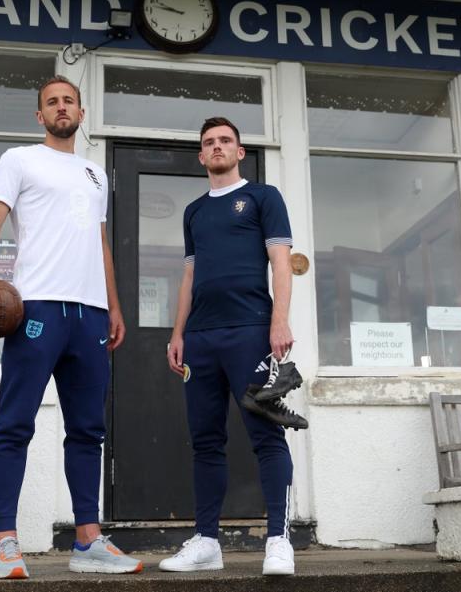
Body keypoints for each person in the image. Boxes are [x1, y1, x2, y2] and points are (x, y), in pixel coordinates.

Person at [0, 75, 142, 579]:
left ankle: (87, 541)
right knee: (14, 425)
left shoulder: (96, 173)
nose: (61, 108)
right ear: (40, 116)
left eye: (69, 101)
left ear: (81, 113)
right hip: (35, 309)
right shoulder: (19, 160)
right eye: (52, 103)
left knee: (87, 430)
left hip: (90, 316)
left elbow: (98, 244)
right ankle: (5, 543)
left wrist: (114, 306)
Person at [161, 117, 306, 577]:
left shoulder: (264, 197)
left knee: (266, 435)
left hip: (250, 331)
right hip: (201, 339)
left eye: (226, 140)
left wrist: (278, 321)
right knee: (206, 441)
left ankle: (279, 540)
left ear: (240, 152)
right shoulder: (194, 211)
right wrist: (177, 332)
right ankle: (206, 541)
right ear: (201, 157)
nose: (217, 147)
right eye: (209, 143)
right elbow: (189, 275)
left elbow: (281, 263)